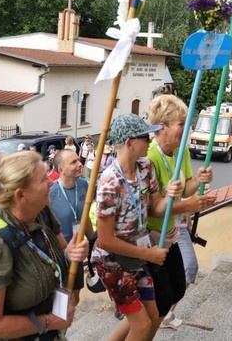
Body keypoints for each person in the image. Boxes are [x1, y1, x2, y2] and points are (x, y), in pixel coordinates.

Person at [0, 151, 89, 340]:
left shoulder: (41, 213)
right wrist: (50, 321)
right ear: (21, 195)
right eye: (43, 179)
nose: (51, 182)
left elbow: (56, 254)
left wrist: (70, 253)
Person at [90, 113, 183, 341]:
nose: (150, 141)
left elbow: (155, 208)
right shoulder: (110, 183)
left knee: (152, 317)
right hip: (113, 262)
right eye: (145, 137)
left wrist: (171, 196)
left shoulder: (145, 168)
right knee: (141, 326)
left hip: (138, 257)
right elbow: (106, 240)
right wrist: (148, 254)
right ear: (130, 143)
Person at [147, 95, 215, 329]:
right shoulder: (150, 158)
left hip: (174, 228)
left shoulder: (181, 150)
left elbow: (186, 189)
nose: (187, 129)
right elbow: (153, 210)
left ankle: (162, 316)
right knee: (158, 298)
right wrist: (188, 204)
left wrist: (198, 179)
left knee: (181, 280)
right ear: (162, 128)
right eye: (181, 124)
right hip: (152, 235)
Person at [48, 149, 92, 304]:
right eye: (73, 162)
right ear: (61, 170)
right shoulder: (50, 194)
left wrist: (92, 242)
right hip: (59, 255)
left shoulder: (84, 185)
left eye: (78, 160)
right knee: (63, 301)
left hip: (77, 252)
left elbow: (84, 217)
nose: (80, 164)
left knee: (74, 298)